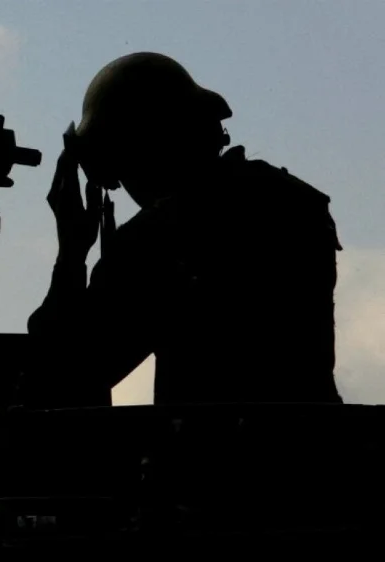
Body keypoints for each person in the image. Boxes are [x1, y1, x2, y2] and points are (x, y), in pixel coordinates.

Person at [22, 52, 344, 407]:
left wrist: (71, 253)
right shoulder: (295, 204)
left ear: (132, 155)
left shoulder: (153, 241)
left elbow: (57, 378)